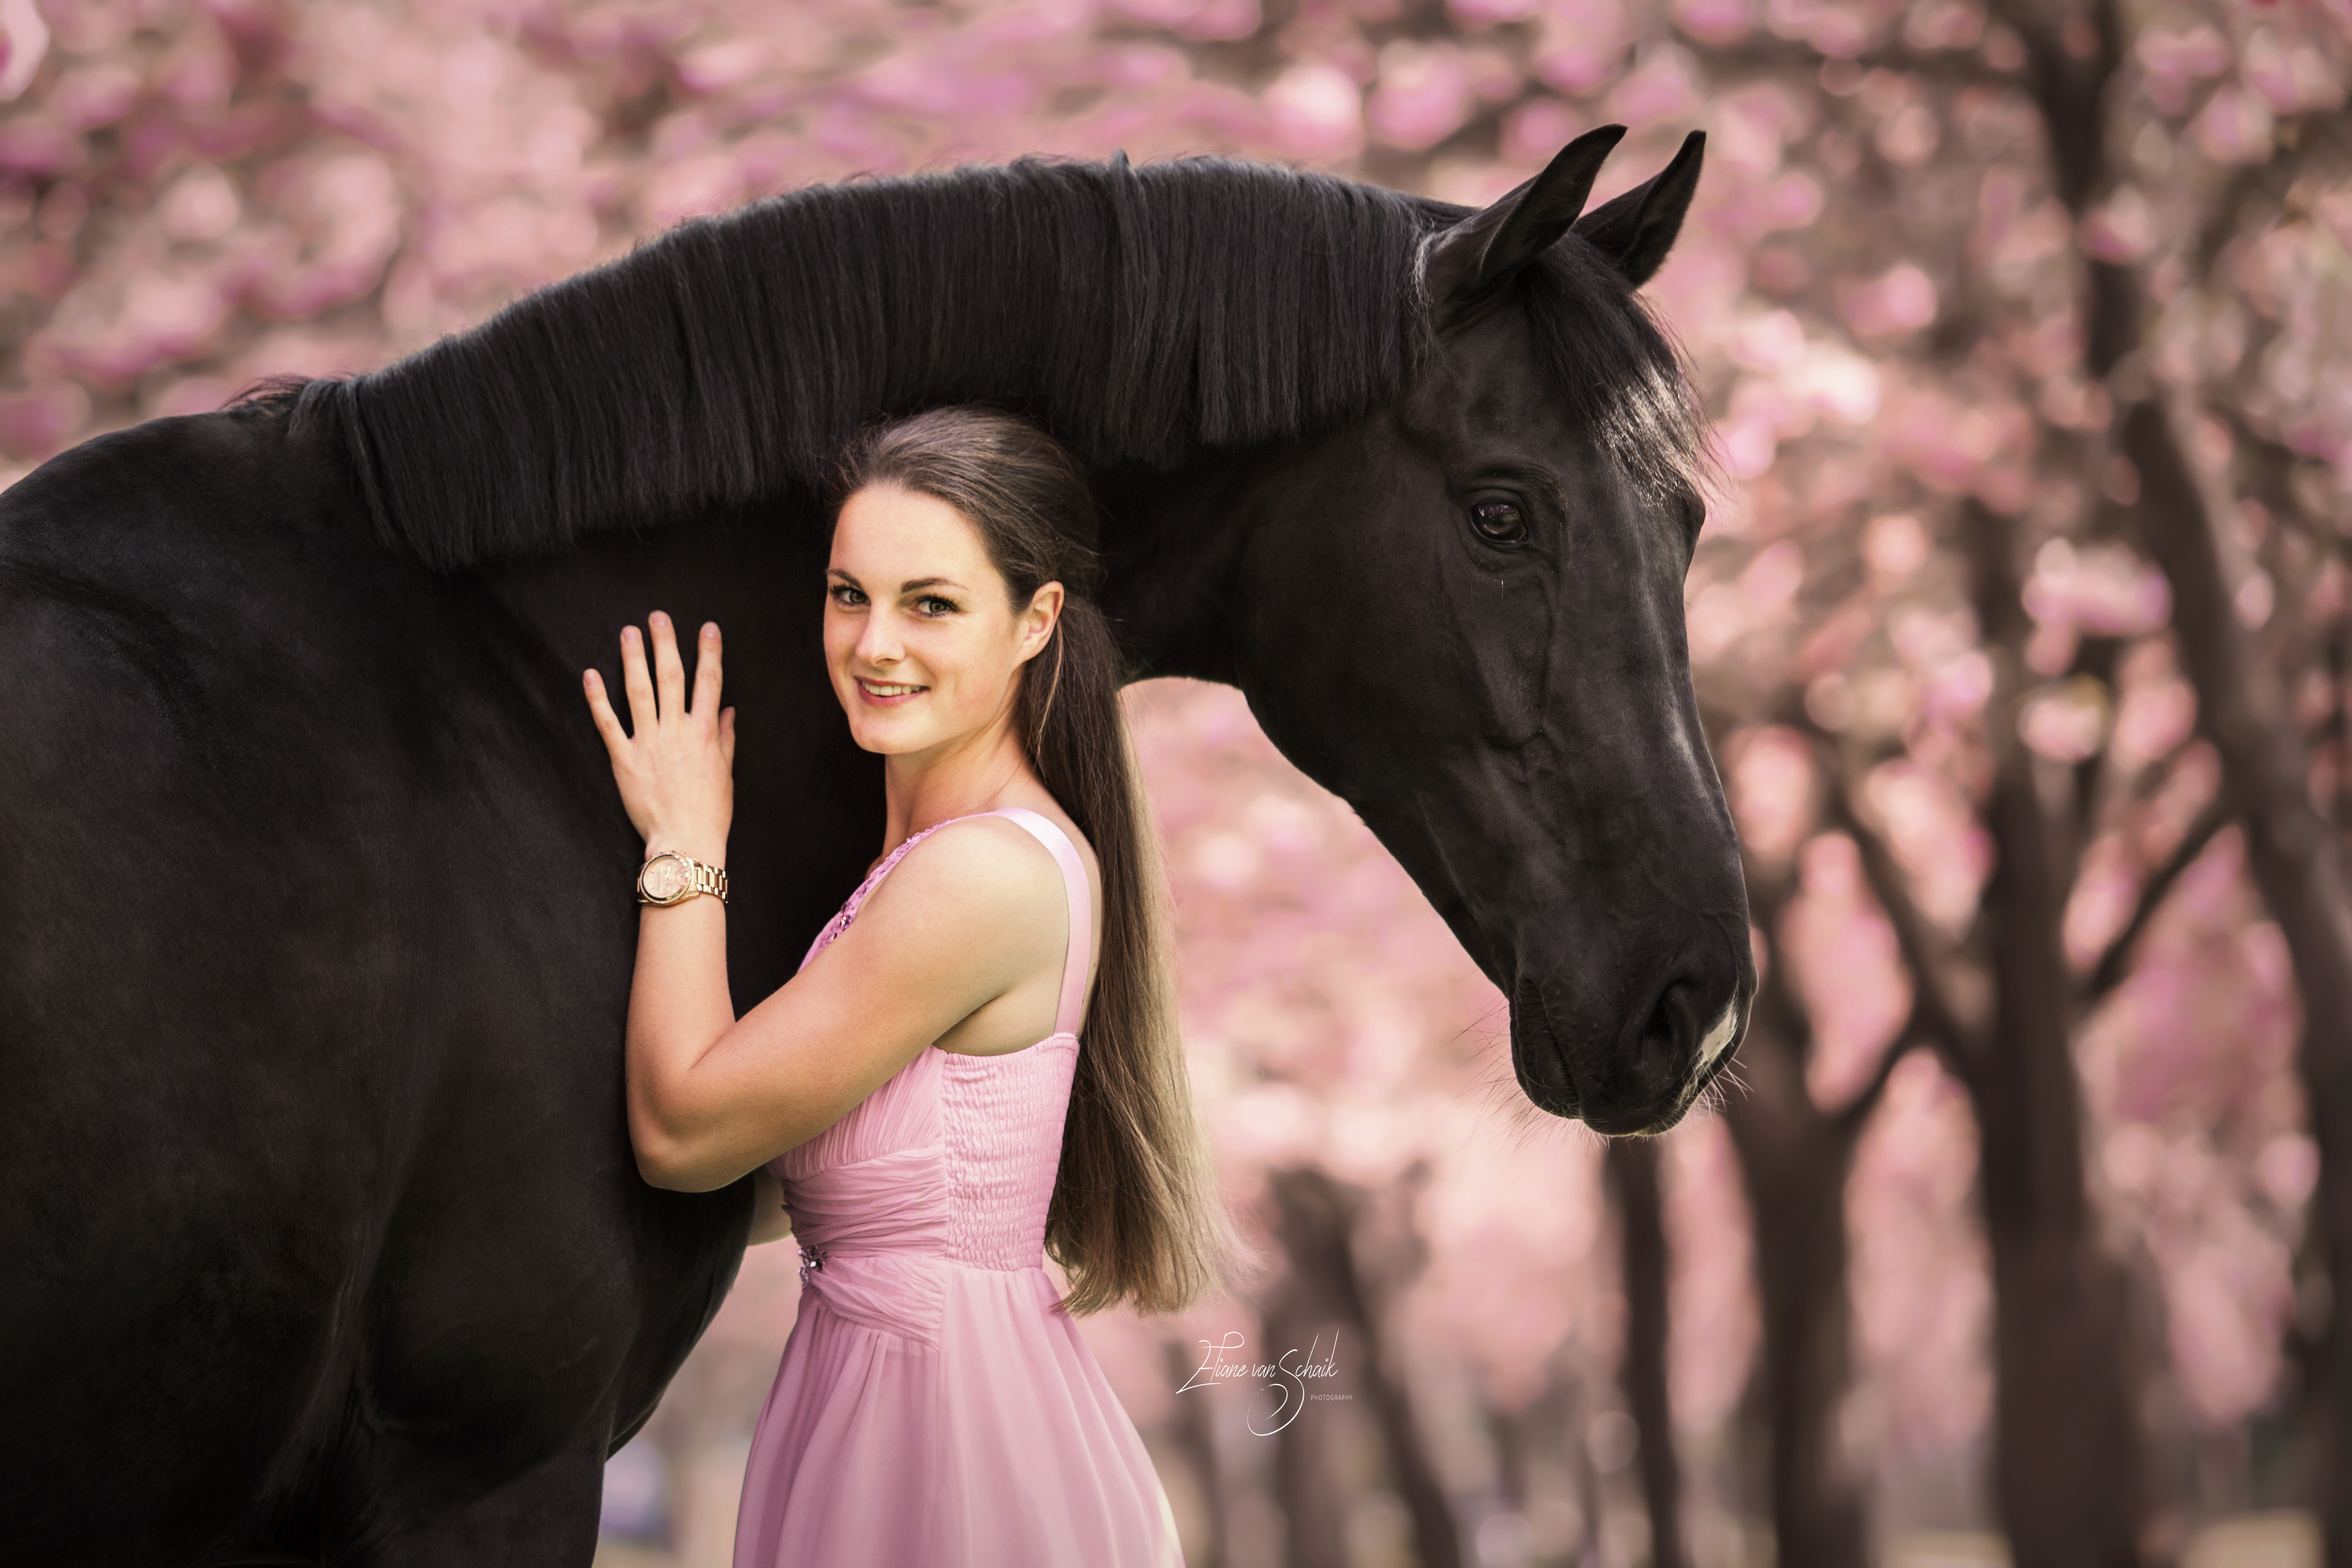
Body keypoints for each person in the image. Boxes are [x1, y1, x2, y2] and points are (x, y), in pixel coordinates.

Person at [581, 404, 1254, 1567]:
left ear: (1036, 618)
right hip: (870, 1400)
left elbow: (684, 1129)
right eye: (851, 594)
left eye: (930, 603)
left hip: (944, 1435)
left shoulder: (983, 875)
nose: (873, 643)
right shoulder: (930, 863)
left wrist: (684, 841)